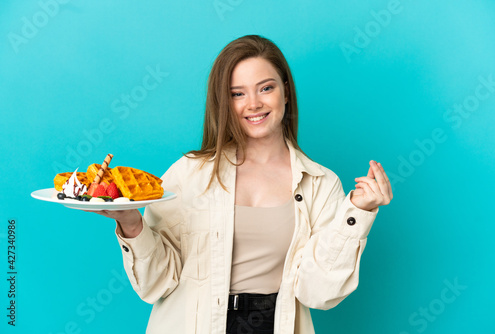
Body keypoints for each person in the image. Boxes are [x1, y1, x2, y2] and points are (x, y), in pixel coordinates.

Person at [92, 35, 393, 334]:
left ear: (285, 92)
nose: (254, 104)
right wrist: (131, 224)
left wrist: (357, 212)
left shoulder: (320, 184)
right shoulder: (189, 173)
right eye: (238, 94)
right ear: (224, 102)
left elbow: (318, 293)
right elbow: (156, 284)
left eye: (266, 88)